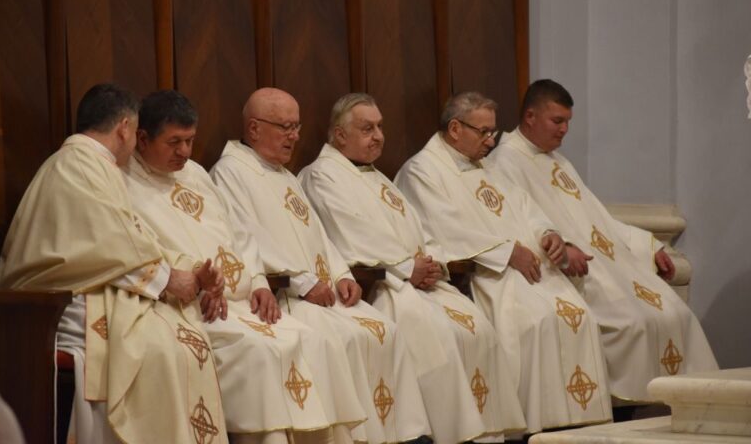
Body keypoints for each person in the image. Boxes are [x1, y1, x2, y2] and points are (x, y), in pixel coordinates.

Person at [123, 90, 366, 444]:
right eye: (174, 142)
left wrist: (258, 283)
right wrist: (199, 284)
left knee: (309, 340)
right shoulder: (125, 182)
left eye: (190, 141)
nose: (185, 152)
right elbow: (141, 251)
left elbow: (239, 234)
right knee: (261, 351)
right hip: (189, 307)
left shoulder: (195, 174)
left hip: (238, 301)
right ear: (143, 139)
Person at [0, 83, 228, 443]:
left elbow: (131, 238)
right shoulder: (80, 163)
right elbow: (112, 245)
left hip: (78, 290)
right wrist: (172, 280)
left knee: (175, 338)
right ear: (124, 128)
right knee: (162, 347)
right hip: (55, 302)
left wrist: (190, 270)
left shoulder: (90, 164)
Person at [298, 93, 526, 443]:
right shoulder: (322, 176)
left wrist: (432, 262)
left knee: (478, 329)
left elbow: (420, 228)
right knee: (441, 336)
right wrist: (407, 267)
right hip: (383, 287)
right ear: (340, 135)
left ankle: (483, 435)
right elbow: (350, 235)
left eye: (380, 127)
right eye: (367, 129)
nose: (379, 136)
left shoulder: (375, 176)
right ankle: (444, 435)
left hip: (418, 283)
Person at [210, 88, 431, 444]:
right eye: (285, 127)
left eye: (296, 126)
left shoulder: (284, 174)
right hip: (286, 298)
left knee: (384, 330)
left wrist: (342, 274)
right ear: (253, 128)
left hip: (323, 294)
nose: (294, 136)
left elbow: (320, 236)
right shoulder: (231, 173)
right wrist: (302, 282)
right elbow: (246, 240)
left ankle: (397, 436)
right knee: (337, 340)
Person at [487, 79, 718, 401]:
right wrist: (563, 250)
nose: (565, 130)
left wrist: (649, 247)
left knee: (675, 313)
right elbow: (515, 225)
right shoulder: (504, 163)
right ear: (530, 117)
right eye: (557, 121)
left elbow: (599, 220)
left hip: (607, 266)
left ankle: (690, 404)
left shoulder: (558, 162)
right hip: (570, 271)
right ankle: (633, 407)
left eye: (568, 121)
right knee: (633, 323)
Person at [395, 92, 612, 433]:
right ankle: (533, 427)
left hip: (529, 268)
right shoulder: (422, 171)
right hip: (487, 274)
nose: (491, 140)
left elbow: (526, 208)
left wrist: (549, 234)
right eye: (483, 132)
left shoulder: (487, 166)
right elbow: (443, 228)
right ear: (455, 129)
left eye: (493, 132)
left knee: (581, 316)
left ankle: (577, 429)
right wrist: (507, 252)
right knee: (536, 320)